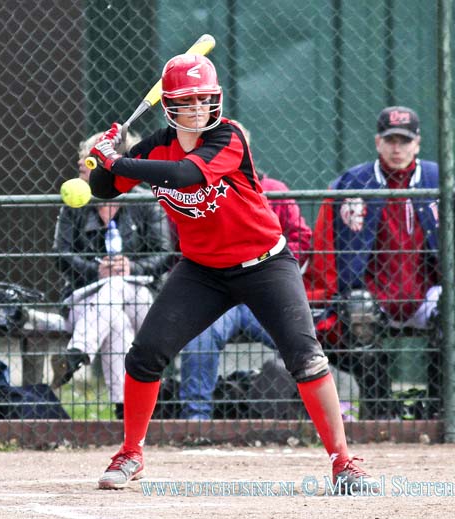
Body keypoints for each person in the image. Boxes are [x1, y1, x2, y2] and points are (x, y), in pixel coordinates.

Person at [87, 53, 377, 493]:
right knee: (145, 354)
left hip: (265, 263)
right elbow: (104, 188)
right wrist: (104, 156)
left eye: (206, 98)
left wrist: (120, 161)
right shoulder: (153, 149)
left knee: (305, 356)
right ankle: (131, 452)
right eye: (190, 100)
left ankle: (344, 461)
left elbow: (186, 174)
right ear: (170, 105)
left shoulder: (229, 136)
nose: (201, 108)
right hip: (201, 270)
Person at [304, 106, 440, 419]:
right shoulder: (355, 181)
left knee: (450, 310)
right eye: (390, 140)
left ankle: (440, 408)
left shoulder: (436, 178)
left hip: (424, 292)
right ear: (378, 142)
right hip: (373, 295)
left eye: (404, 141)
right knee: (358, 311)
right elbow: (325, 246)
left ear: (417, 144)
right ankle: (381, 410)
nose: (397, 148)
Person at [178, 123, 312, 420]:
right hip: (219, 297)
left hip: (264, 294)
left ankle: (300, 415)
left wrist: (279, 275)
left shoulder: (274, 190)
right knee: (200, 336)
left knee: (300, 339)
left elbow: (302, 237)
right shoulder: (196, 194)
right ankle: (196, 419)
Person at [52, 131, 174, 419]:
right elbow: (60, 256)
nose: (81, 174)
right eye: (82, 167)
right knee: (115, 319)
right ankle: (126, 410)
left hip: (140, 297)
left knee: (118, 286)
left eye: (90, 167)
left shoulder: (146, 202)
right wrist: (96, 269)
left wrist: (131, 267)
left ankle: (76, 353)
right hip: (86, 299)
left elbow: (164, 254)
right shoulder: (75, 206)